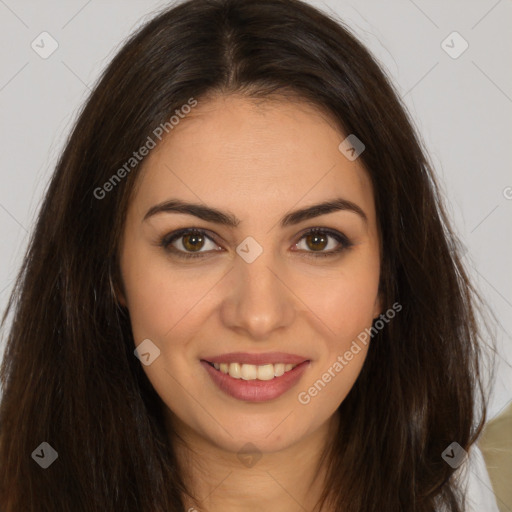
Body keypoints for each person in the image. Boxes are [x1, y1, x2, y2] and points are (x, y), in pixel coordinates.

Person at [0, 0, 497, 510]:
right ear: (109, 270)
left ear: (388, 276)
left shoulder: (474, 489)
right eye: (194, 241)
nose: (258, 316)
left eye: (318, 240)